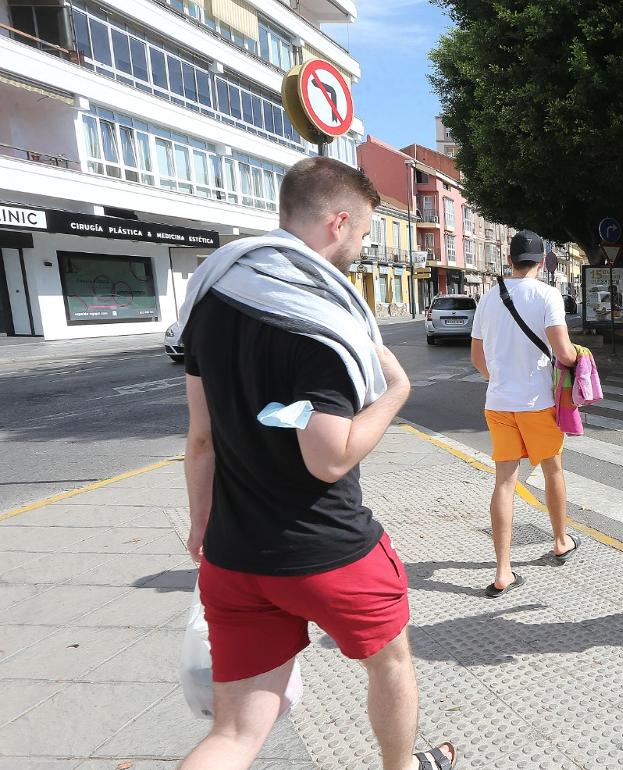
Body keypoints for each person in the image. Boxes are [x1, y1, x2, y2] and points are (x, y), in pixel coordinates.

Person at [178, 157, 456, 770]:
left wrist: (202, 525)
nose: (360, 247)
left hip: (235, 554)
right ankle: (402, 766)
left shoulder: (211, 298)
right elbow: (329, 458)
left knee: (234, 734)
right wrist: (395, 395)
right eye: (362, 233)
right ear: (337, 222)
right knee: (390, 660)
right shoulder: (316, 317)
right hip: (327, 548)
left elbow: (202, 440)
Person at [470, 230, 582, 597]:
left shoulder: (487, 299)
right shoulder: (547, 295)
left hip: (498, 403)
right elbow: (564, 353)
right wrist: (580, 359)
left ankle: (503, 571)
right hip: (537, 403)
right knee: (552, 470)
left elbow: (477, 359)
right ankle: (560, 541)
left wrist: (500, 378)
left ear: (509, 261)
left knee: (504, 482)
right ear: (542, 262)